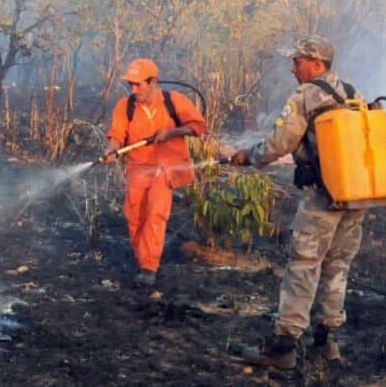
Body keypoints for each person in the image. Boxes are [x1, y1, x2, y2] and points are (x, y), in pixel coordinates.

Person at [228, 35, 364, 369]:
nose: (292, 69)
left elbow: (280, 143)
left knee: (303, 265)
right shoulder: (352, 93)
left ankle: (283, 348)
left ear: (317, 64)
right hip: (357, 194)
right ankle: (327, 341)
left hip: (322, 197)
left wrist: (248, 156)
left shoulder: (305, 96)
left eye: (297, 61)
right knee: (338, 266)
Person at [101, 58, 207, 287]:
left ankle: (149, 267)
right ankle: (143, 260)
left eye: (138, 84)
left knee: (156, 214)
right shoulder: (125, 106)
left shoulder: (174, 101)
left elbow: (199, 127)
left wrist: (171, 132)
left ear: (152, 82)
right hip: (139, 168)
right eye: (131, 84)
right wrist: (112, 150)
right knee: (134, 216)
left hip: (166, 167)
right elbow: (117, 135)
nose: (133, 90)